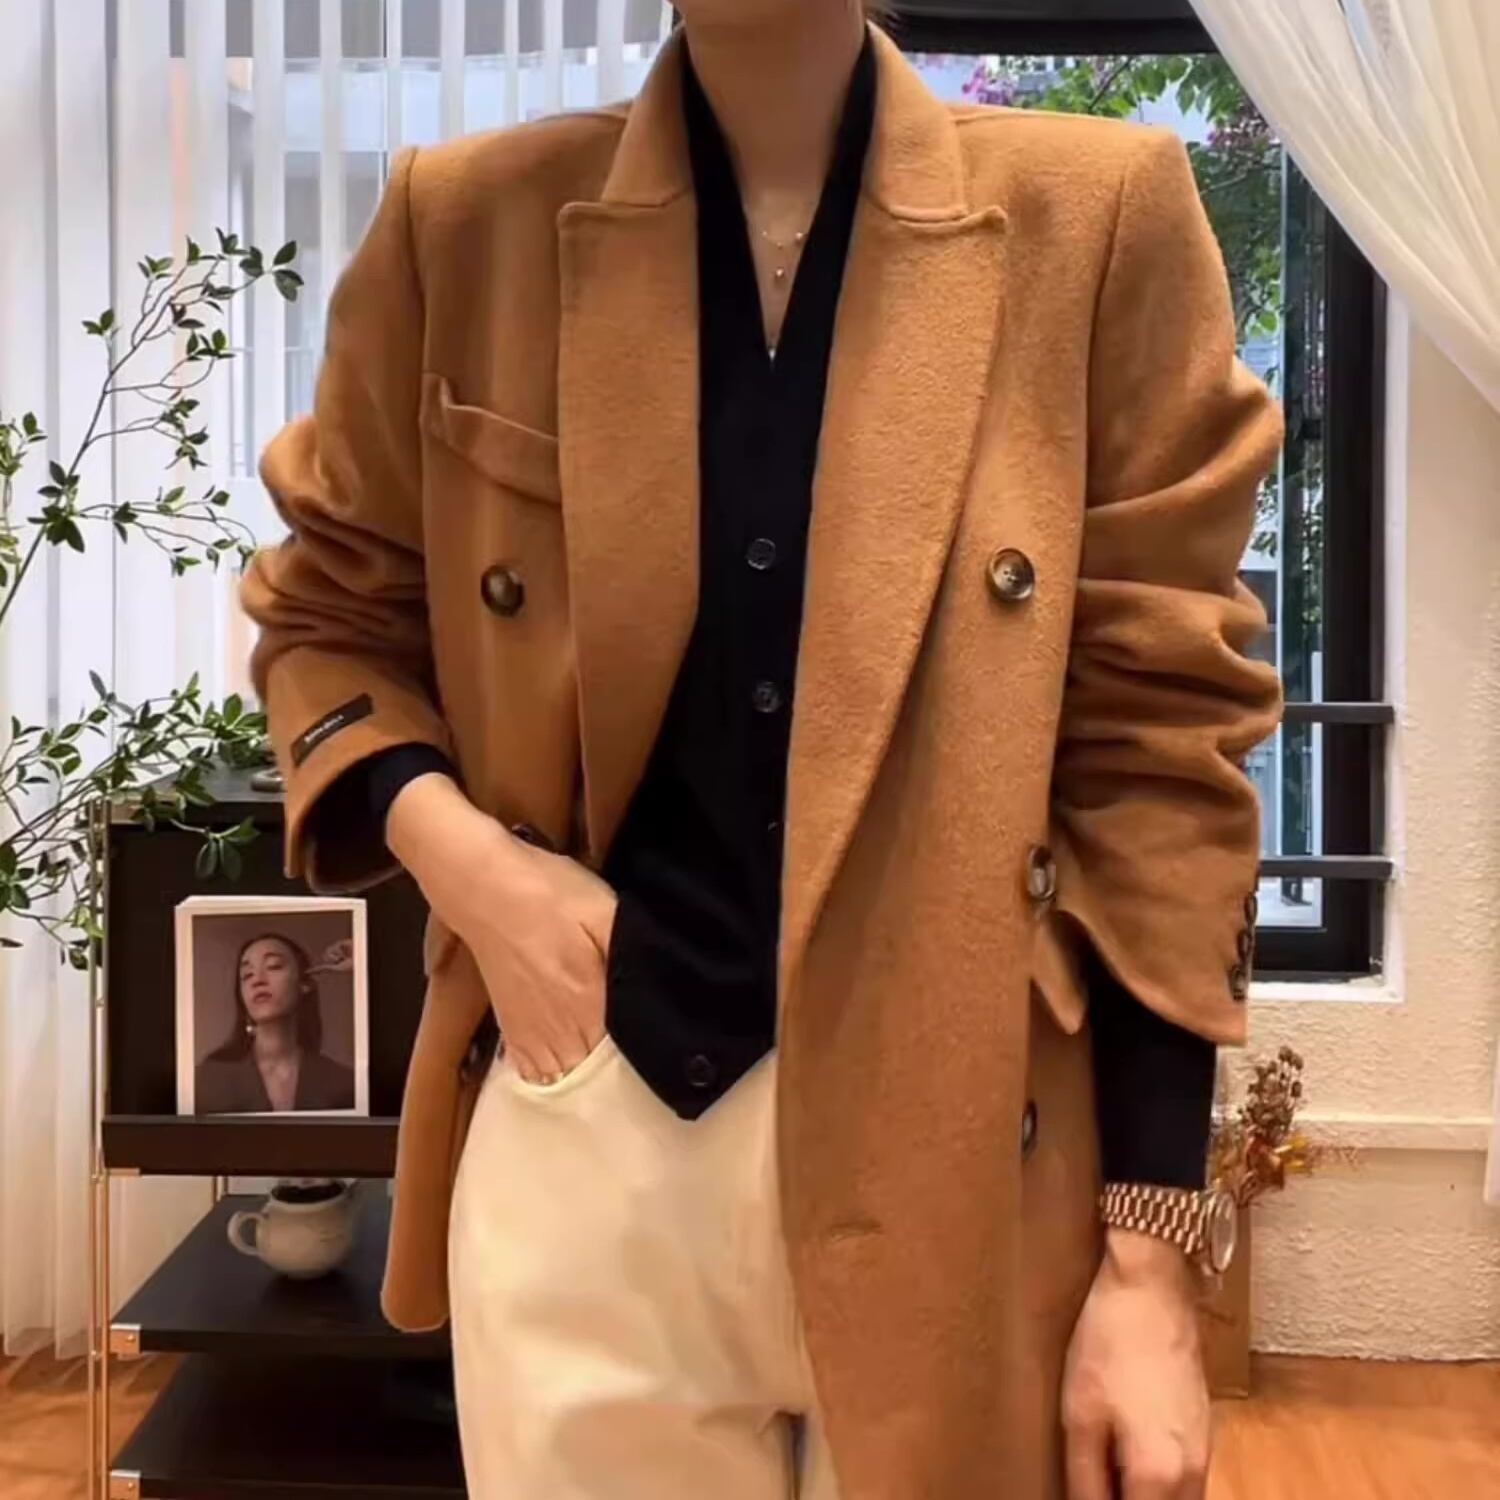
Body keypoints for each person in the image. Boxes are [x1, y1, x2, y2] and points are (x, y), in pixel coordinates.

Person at [240, 1, 1282, 1495]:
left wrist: (1151, 1256)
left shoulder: (1095, 218)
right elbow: (325, 621)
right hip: (586, 1120)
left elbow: (1162, 742)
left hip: (974, 1150)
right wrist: (477, 873)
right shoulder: (464, 224)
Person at [196, 933, 356, 1114]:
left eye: (274, 966)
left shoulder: (346, 1084)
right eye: (247, 975)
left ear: (304, 983)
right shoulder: (205, 1080)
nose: (257, 980)